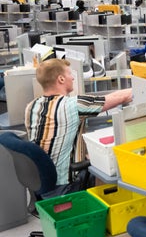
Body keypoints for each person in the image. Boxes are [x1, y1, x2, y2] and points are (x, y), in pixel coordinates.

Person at [25, 58, 133, 187]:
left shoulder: (31, 106)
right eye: (70, 74)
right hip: (66, 183)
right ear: (61, 79)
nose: (73, 78)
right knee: (113, 169)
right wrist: (144, 85)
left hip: (40, 180)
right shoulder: (72, 104)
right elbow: (121, 98)